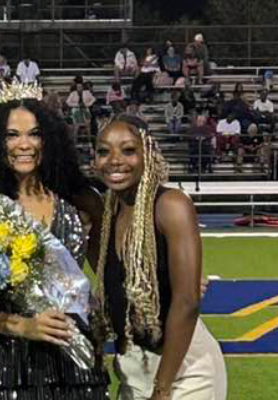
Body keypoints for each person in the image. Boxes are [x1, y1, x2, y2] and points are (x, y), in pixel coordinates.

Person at [0, 82, 109, 399]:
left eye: (34, 133)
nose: (24, 144)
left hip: (73, 364)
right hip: (2, 369)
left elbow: (111, 272)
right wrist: (23, 326)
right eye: (12, 135)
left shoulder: (80, 201)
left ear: (49, 139)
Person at [93, 114, 227, 400]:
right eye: (103, 151)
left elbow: (187, 301)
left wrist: (162, 389)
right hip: (133, 368)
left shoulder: (171, 204)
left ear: (148, 154)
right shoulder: (108, 213)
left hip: (182, 372)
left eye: (128, 150)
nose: (115, 160)